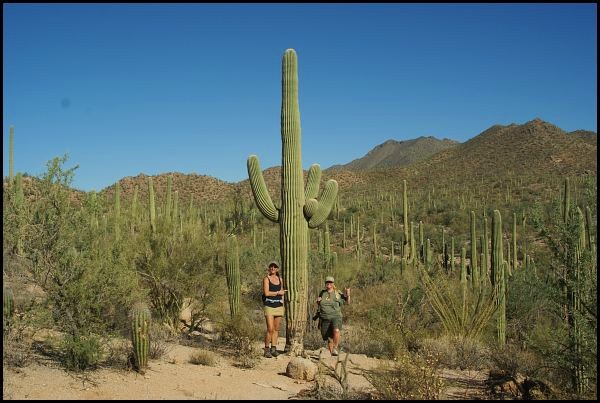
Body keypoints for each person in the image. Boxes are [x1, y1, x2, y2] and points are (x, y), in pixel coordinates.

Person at [316, 276, 350, 356]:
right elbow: (320, 304)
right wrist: (318, 302)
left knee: (336, 330)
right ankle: (332, 354)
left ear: (333, 284)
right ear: (325, 283)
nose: (329, 284)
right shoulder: (322, 293)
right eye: (327, 282)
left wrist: (348, 295)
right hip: (324, 317)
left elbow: (347, 303)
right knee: (328, 337)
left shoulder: (337, 293)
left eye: (330, 282)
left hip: (336, 316)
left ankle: (335, 347)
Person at [262, 260, 285, 358]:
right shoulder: (266, 279)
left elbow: (282, 291)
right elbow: (266, 293)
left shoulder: (280, 279)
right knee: (270, 329)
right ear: (269, 268)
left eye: (274, 267)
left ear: (277, 269)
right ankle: (266, 349)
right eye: (271, 266)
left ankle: (273, 349)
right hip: (269, 306)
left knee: (276, 329)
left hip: (279, 306)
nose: (272, 268)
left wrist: (282, 301)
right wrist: (277, 293)